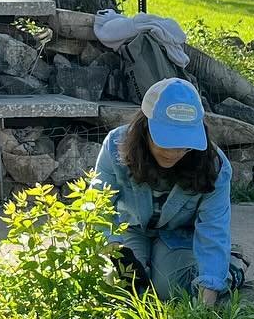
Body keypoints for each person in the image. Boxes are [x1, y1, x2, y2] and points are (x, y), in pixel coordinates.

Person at [89, 78, 237, 305]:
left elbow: (214, 230)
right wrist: (114, 251)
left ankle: (232, 267)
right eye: (166, 141)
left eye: (184, 143)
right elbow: (97, 207)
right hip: (132, 228)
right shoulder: (114, 147)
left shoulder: (215, 167)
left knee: (169, 289)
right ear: (145, 127)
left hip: (179, 234)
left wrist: (209, 291)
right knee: (120, 288)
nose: (175, 151)